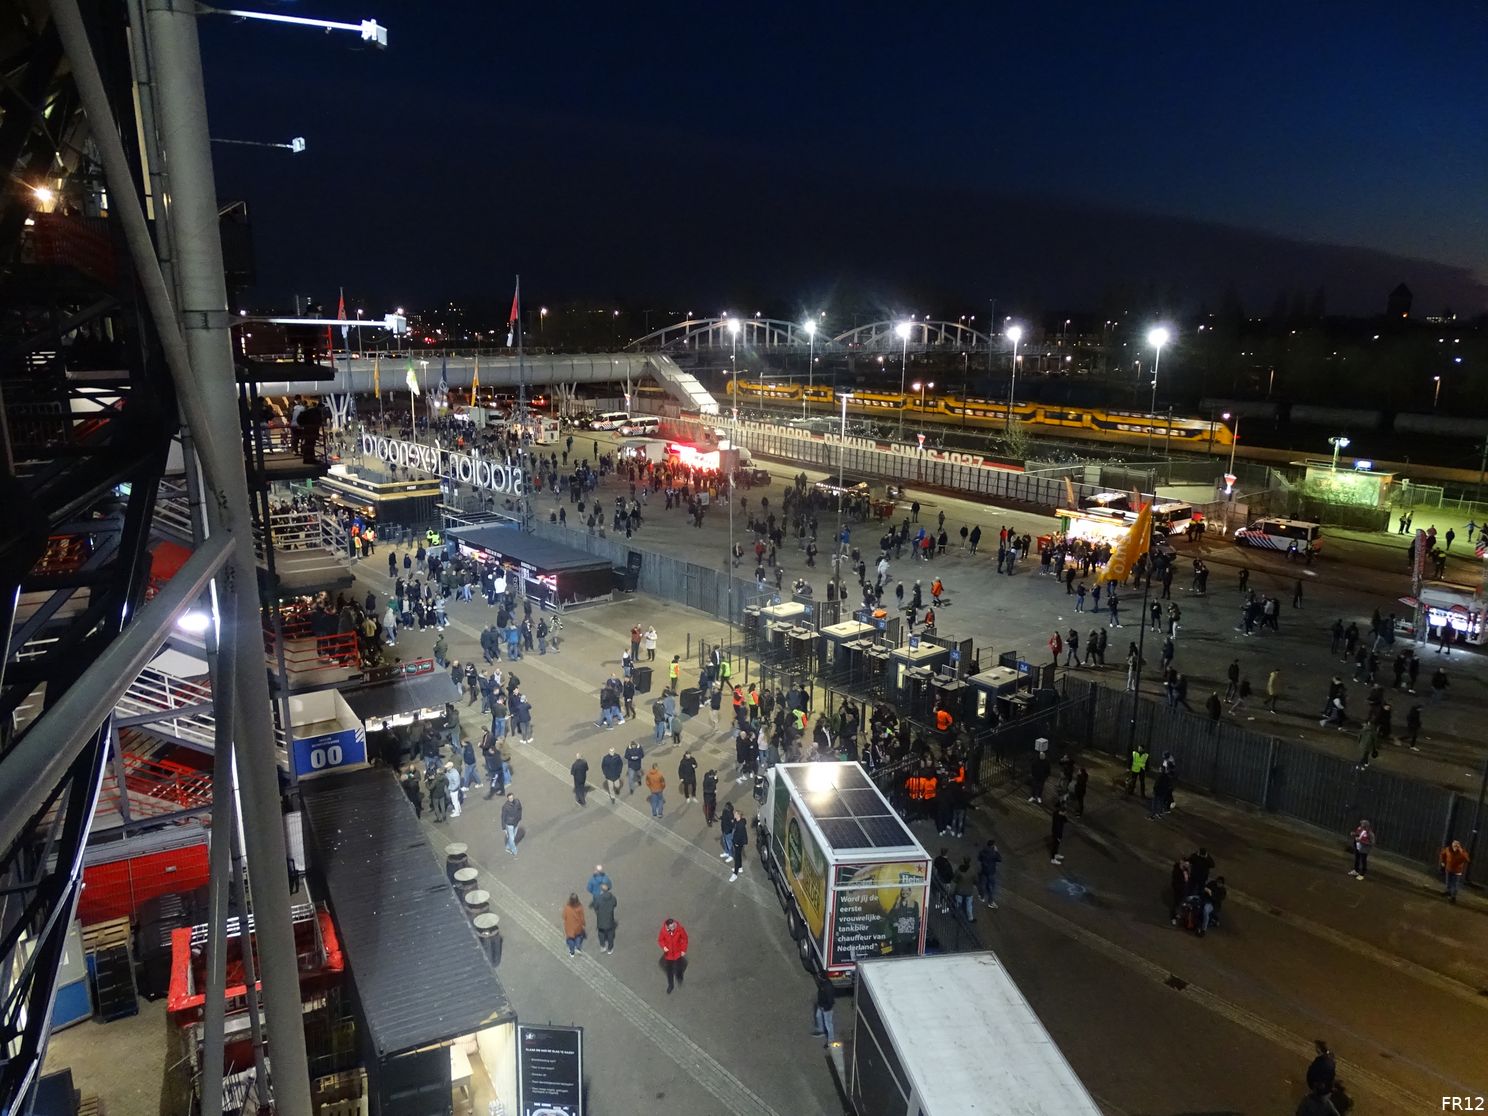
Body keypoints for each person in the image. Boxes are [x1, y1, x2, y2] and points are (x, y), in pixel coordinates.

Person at [658, 917, 688, 993]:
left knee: (679, 967)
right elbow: (660, 940)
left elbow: (685, 939)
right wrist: (664, 947)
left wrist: (683, 950)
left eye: (674, 926)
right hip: (669, 955)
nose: (673, 928)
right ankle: (670, 985)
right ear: (667, 927)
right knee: (669, 971)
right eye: (671, 927)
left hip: (678, 953)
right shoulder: (663, 931)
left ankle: (679, 977)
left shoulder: (680, 929)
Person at [592, 882, 618, 954]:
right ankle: (610, 948)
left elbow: (595, 907)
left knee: (601, 933)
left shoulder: (598, 898)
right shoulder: (612, 898)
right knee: (610, 934)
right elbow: (615, 904)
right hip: (610, 919)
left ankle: (603, 946)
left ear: (601, 890)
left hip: (601, 919)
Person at [976, 839, 1002, 908]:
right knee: (991, 887)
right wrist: (997, 851)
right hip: (991, 872)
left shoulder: (982, 851)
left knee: (982, 884)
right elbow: (1000, 859)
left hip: (984, 870)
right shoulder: (994, 853)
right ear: (993, 845)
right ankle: (990, 902)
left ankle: (982, 897)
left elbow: (979, 859)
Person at [729, 811, 749, 881]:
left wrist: (736, 843)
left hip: (738, 843)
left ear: (738, 815)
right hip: (738, 842)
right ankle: (740, 867)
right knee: (738, 855)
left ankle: (735, 873)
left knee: (737, 857)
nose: (734, 814)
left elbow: (739, 835)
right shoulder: (740, 821)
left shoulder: (740, 825)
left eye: (735, 814)